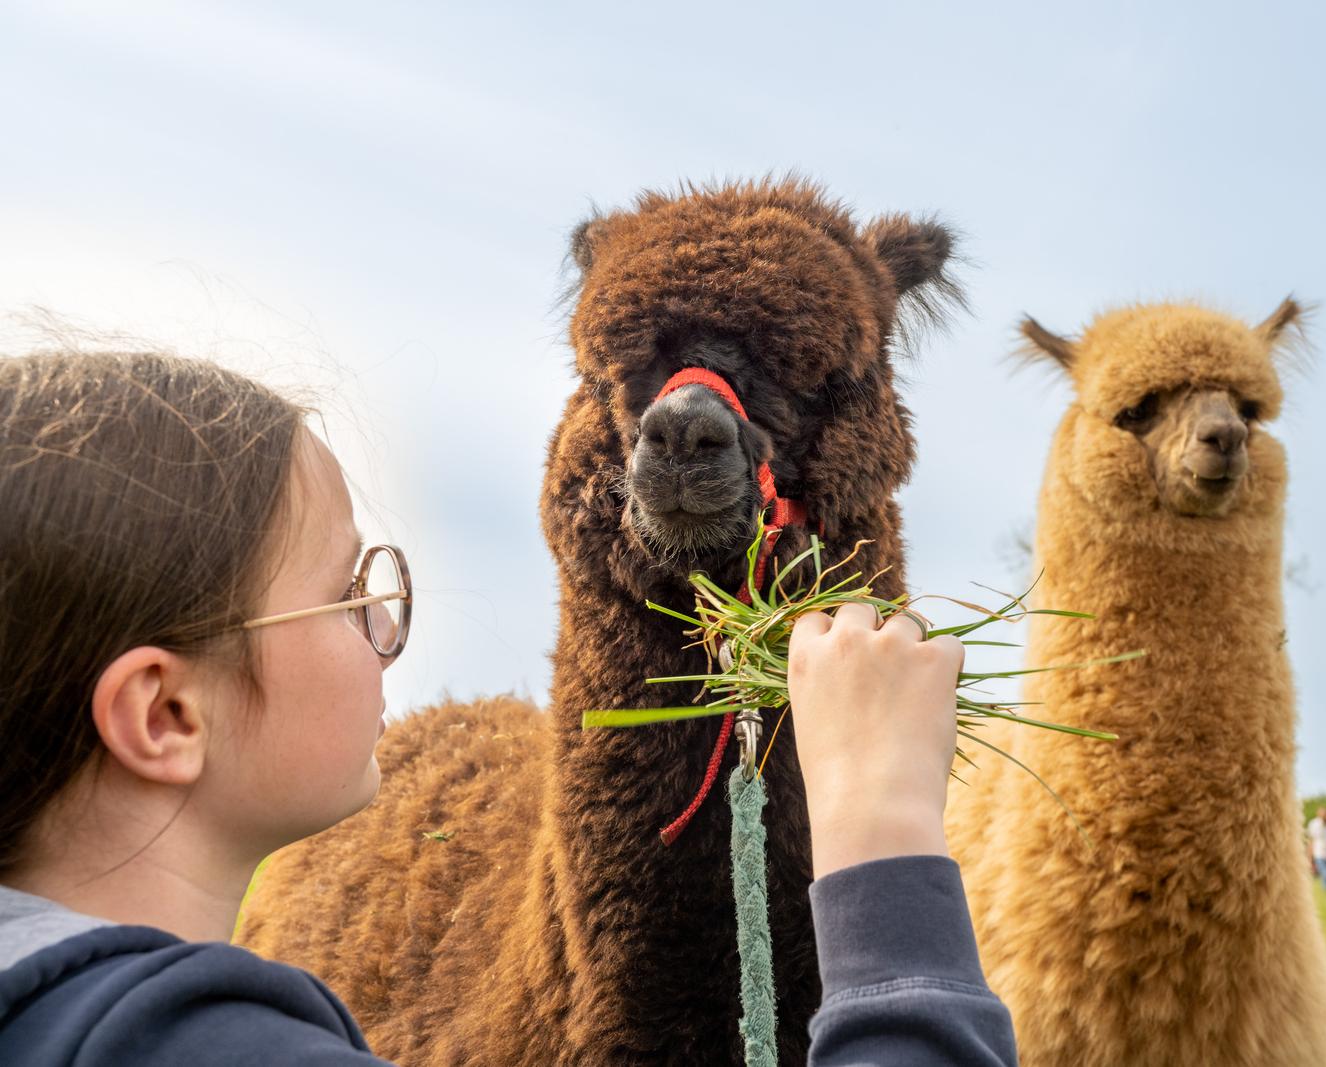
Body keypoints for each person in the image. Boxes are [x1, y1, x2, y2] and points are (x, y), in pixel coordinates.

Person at [0, 352, 1016, 1066]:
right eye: (350, 590)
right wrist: (882, 837)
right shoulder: (196, 1044)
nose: (386, 620)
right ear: (167, 712)